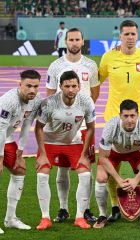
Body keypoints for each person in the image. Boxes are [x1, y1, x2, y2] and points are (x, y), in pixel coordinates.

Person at [98, 20, 140, 222]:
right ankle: (114, 207)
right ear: (120, 35)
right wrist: (91, 98)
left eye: (133, 34)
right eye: (126, 34)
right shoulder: (109, 56)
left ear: (137, 36)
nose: (129, 37)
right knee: (111, 169)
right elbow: (98, 80)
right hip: (114, 117)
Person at [47, 27, 99, 224]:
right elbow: (50, 95)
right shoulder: (56, 66)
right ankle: (63, 209)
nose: (74, 43)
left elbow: (94, 92)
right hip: (62, 126)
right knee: (62, 168)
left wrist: (84, 113)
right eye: (71, 39)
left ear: (83, 42)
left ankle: (85, 210)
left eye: (78, 39)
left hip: (85, 125)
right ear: (65, 42)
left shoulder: (91, 65)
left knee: (86, 166)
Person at [35, 70, 96, 230]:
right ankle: (45, 217)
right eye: (67, 86)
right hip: (49, 142)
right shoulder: (48, 103)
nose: (70, 89)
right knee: (42, 174)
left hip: (73, 142)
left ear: (79, 86)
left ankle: (79, 217)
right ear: (60, 86)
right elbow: (39, 128)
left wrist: (84, 155)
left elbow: (90, 128)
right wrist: (42, 154)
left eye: (74, 86)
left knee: (85, 174)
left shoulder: (86, 101)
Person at [94, 99, 140, 229]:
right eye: (126, 116)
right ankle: (102, 215)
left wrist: (136, 179)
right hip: (114, 152)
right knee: (101, 177)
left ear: (138, 115)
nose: (129, 120)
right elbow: (103, 157)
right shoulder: (110, 126)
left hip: (137, 153)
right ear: (120, 116)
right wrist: (119, 180)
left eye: (133, 116)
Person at [0, 70, 42, 234]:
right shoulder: (9, 101)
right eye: (28, 86)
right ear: (20, 85)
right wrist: (0, 158)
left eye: (36, 86)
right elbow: (1, 130)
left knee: (19, 170)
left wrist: (20, 153)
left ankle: (10, 219)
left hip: (6, 137)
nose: (32, 90)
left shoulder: (36, 100)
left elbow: (26, 125)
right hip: (1, 133)